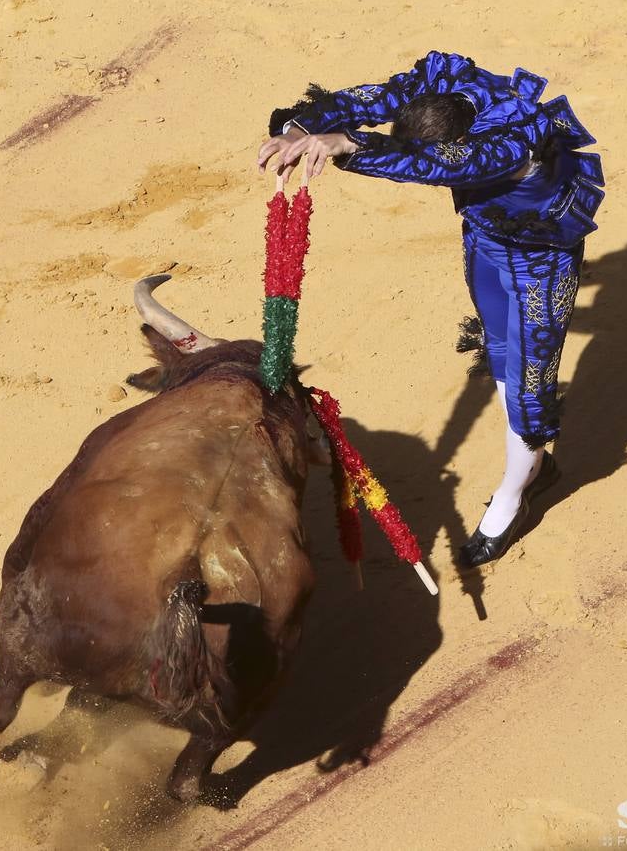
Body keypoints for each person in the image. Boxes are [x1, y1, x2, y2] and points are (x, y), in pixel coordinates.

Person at [257, 51, 604, 568]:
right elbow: (383, 94)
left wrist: (349, 144)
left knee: (532, 380)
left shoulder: (504, 145)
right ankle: (530, 466)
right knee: (500, 341)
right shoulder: (448, 83)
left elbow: (432, 163)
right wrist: (304, 127)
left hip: (542, 258)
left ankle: (517, 489)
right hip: (487, 235)